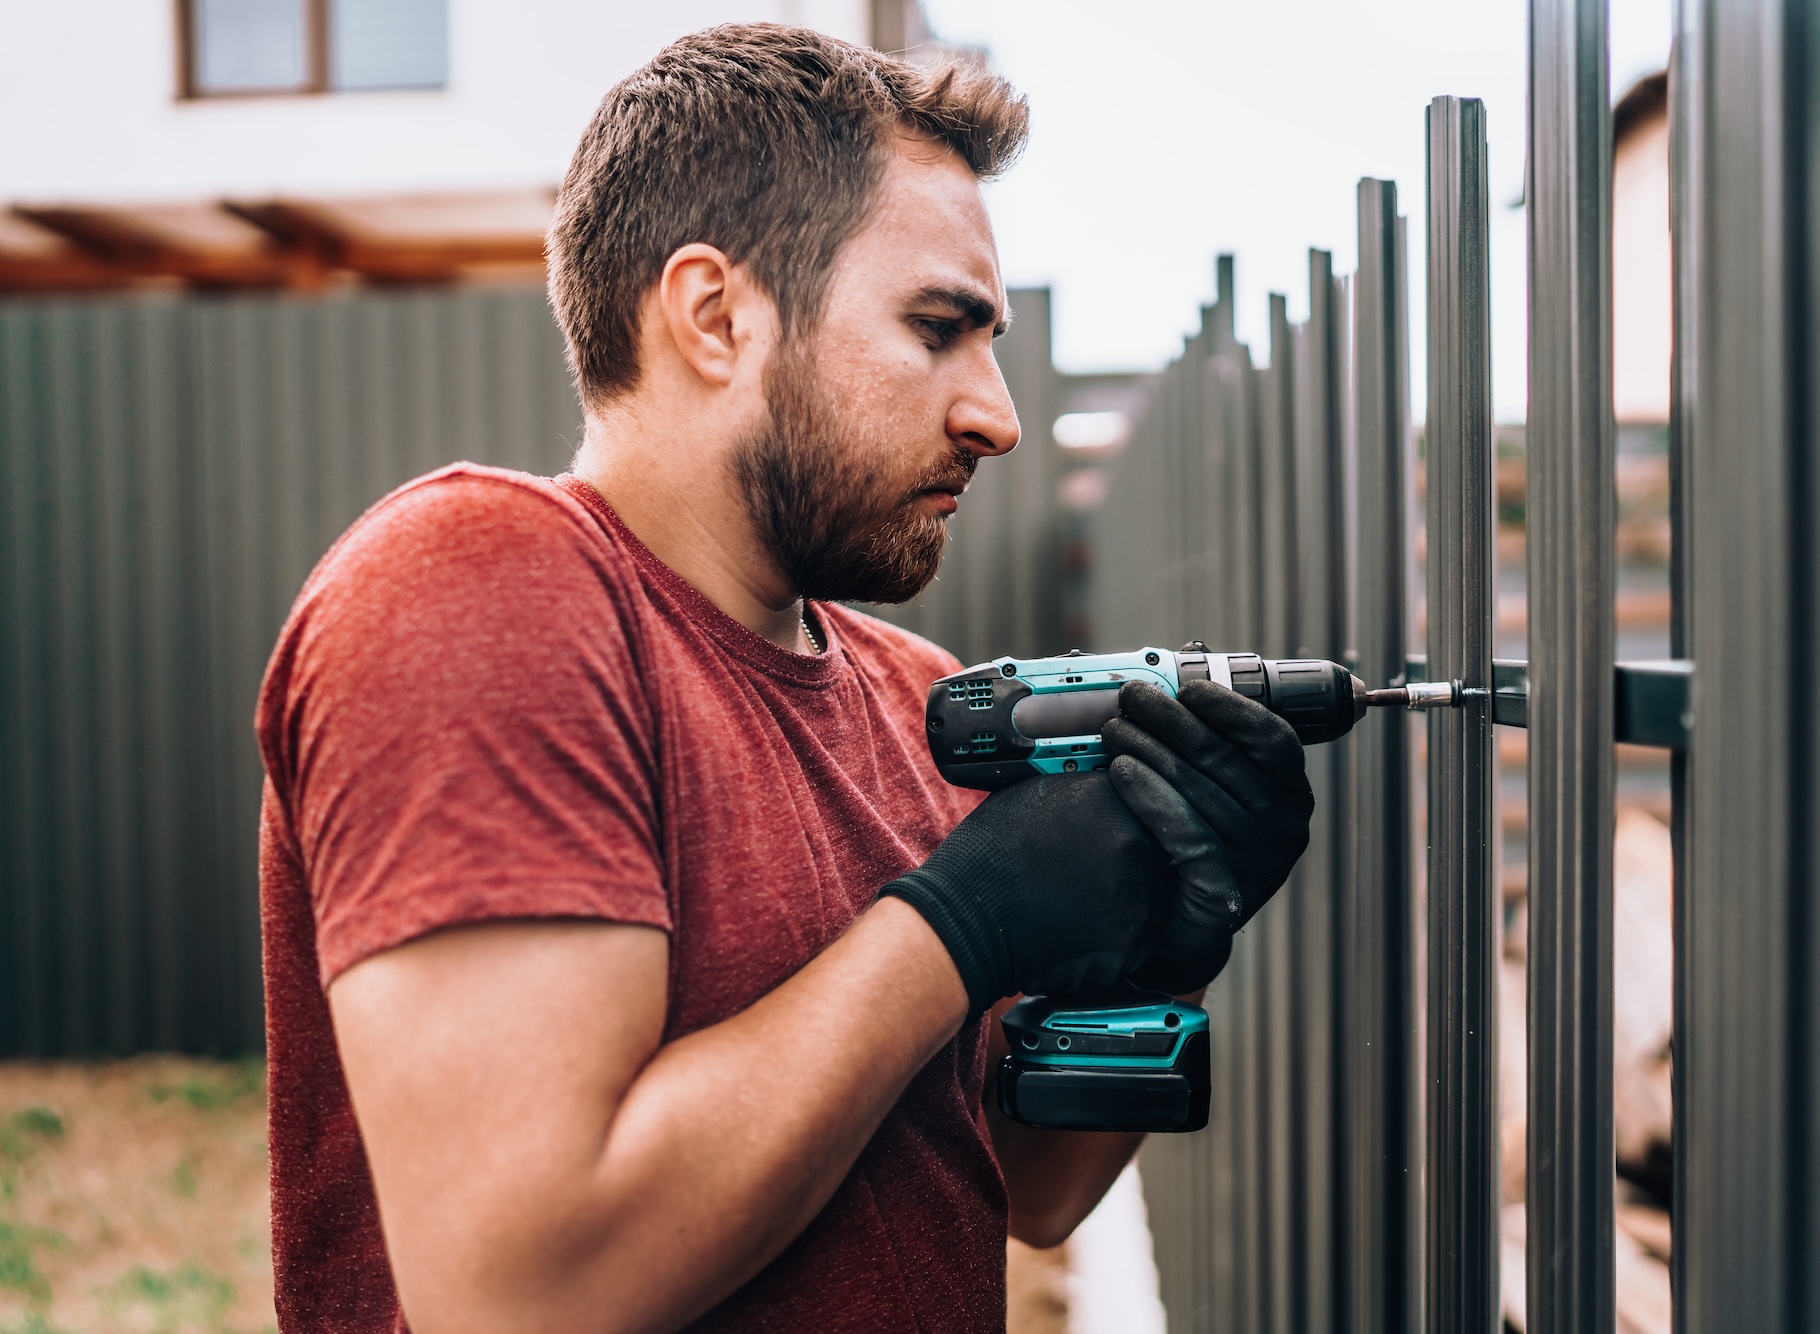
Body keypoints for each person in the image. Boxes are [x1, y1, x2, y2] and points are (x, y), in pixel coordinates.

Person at [255, 23, 1312, 1334]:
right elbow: (524, 1288)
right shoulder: (473, 585)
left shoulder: (918, 697)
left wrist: (1165, 947)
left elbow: (1028, 1189)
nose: (996, 416)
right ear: (716, 316)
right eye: (938, 328)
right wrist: (958, 928)